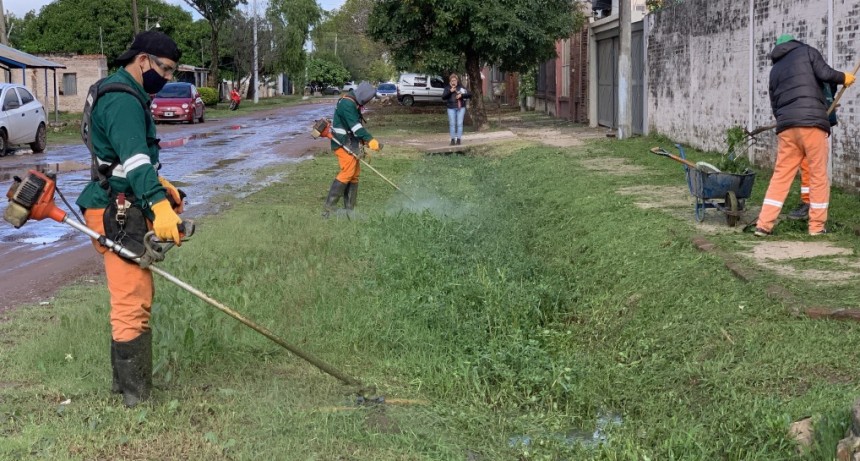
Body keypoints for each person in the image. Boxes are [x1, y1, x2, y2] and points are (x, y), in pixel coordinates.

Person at [76, 31, 185, 407]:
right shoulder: (123, 100)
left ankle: (125, 387)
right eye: (165, 70)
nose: (167, 79)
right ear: (143, 60)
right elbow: (136, 160)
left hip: (118, 202)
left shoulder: (121, 92)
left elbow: (124, 161)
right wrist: (158, 204)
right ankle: (136, 398)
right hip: (116, 211)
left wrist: (161, 188)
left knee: (134, 296)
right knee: (130, 301)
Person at [754, 34, 854, 237]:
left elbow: (774, 103)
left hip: (786, 126)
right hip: (812, 124)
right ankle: (816, 227)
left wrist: (786, 120)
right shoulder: (807, 51)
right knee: (818, 174)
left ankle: (763, 224)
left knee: (781, 176)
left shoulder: (775, 70)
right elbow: (825, 74)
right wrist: (844, 78)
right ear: (794, 43)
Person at [323, 81, 381, 217]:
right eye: (368, 99)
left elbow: (353, 128)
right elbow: (355, 127)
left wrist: (362, 141)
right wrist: (370, 140)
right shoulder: (347, 104)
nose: (368, 102)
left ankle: (349, 210)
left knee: (354, 174)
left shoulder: (352, 102)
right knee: (347, 172)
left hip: (351, 143)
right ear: (363, 96)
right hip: (342, 143)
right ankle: (328, 209)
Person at [442, 73, 471, 145]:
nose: (453, 82)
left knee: (459, 124)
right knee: (452, 124)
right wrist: (450, 91)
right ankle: (452, 140)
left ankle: (458, 139)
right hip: (451, 108)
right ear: (450, 81)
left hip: (460, 108)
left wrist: (462, 95)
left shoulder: (461, 87)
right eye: (452, 81)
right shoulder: (447, 88)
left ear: (457, 81)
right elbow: (443, 97)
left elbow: (470, 94)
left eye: (455, 80)